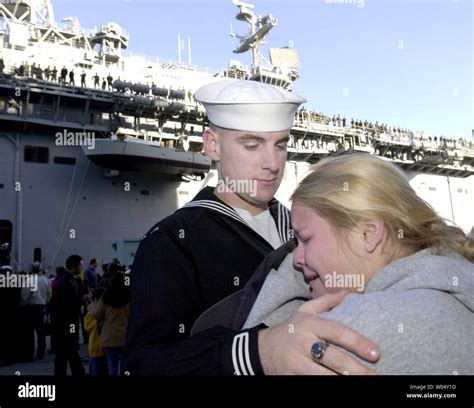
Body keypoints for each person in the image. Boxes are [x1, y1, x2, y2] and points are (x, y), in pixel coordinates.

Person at [122, 80, 380, 375]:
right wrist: (258, 351)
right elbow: (142, 364)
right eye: (252, 145)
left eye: (280, 144)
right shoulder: (171, 242)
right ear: (212, 144)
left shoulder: (303, 227)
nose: (272, 163)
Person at [242, 153, 474, 374]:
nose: (296, 260)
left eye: (305, 239)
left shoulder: (350, 330)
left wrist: (262, 350)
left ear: (368, 234)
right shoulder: (450, 282)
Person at [50, 255, 86, 376]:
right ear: (73, 266)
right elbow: (67, 304)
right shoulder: (66, 281)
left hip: (65, 325)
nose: (82, 267)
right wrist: (81, 300)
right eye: (80, 265)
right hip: (66, 324)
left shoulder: (67, 279)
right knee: (68, 352)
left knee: (64, 355)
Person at [88, 272, 130, 375]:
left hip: (110, 337)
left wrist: (91, 306)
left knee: (112, 367)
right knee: (126, 366)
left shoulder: (106, 297)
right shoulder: (130, 296)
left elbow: (97, 315)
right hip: (126, 336)